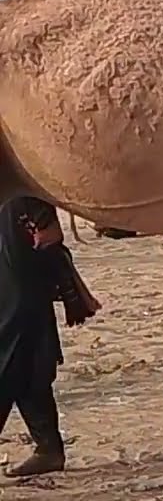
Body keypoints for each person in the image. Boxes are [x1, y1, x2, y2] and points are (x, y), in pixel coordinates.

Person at [0, 197, 99, 478]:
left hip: (18, 296)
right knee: (29, 374)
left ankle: (49, 450)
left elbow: (49, 234)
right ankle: (48, 450)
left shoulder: (18, 194)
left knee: (12, 367)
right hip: (17, 291)